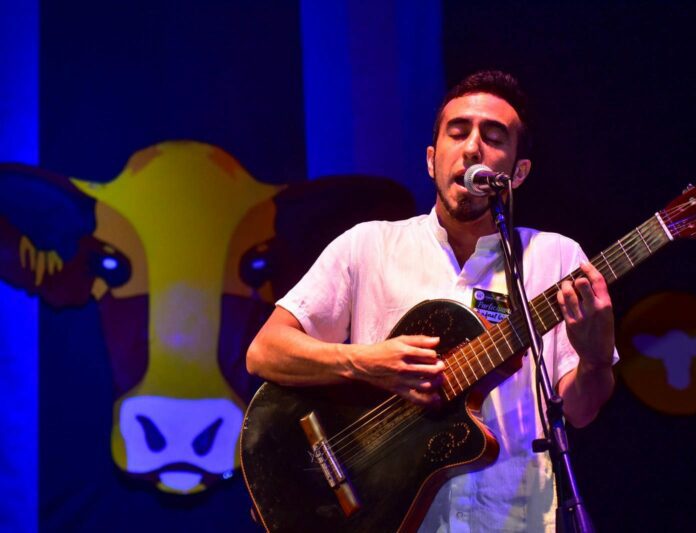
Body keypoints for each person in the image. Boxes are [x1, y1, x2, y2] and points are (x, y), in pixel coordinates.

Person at [246, 70, 615, 532]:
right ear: (431, 160)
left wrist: (595, 358)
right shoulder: (368, 246)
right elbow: (265, 351)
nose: (473, 148)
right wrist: (365, 362)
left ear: (518, 173)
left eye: (493, 137)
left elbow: (580, 411)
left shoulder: (556, 258)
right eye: (457, 132)